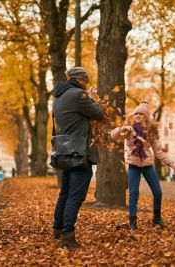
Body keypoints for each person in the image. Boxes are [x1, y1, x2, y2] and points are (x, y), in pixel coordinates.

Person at [52, 67, 104, 248]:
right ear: (82, 80)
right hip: (80, 152)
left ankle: (57, 230)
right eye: (86, 83)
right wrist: (90, 97)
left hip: (65, 151)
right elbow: (99, 113)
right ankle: (67, 236)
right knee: (76, 196)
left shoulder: (58, 97)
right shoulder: (79, 95)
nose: (86, 86)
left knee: (65, 193)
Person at [111, 102, 175, 232]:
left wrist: (172, 163)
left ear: (146, 117)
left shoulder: (151, 132)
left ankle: (157, 217)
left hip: (147, 165)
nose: (137, 116)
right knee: (133, 194)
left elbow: (159, 152)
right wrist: (121, 129)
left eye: (140, 114)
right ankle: (132, 222)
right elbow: (114, 136)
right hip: (133, 166)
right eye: (136, 113)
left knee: (158, 192)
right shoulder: (129, 128)